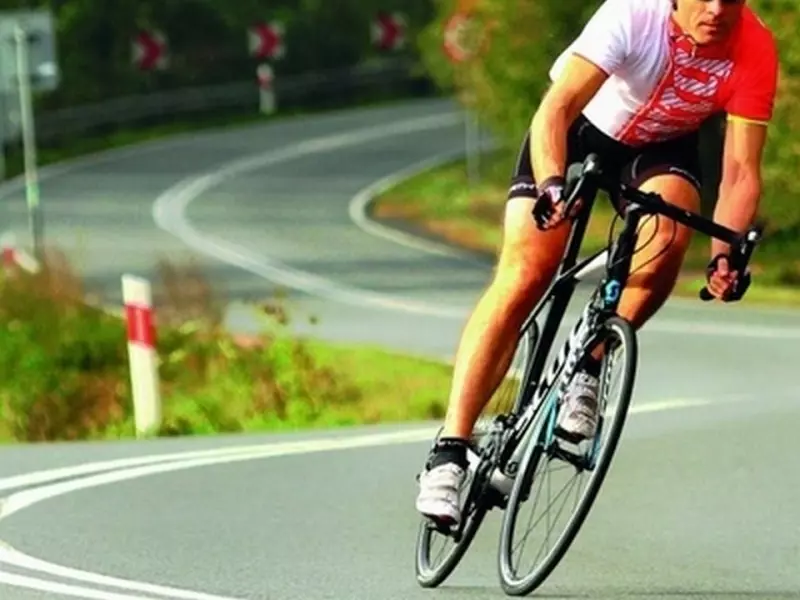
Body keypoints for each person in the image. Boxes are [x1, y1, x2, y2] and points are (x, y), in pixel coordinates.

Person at [416, 0, 779, 526]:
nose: (718, 9)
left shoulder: (754, 47)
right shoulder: (633, 14)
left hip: (660, 148)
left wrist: (725, 256)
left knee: (669, 234)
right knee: (526, 273)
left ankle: (589, 363)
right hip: (580, 130)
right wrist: (551, 184)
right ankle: (450, 450)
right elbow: (558, 107)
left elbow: (741, 171)